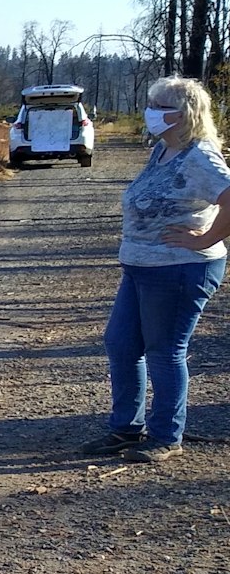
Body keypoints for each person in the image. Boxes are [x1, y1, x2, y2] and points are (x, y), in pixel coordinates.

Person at [83, 76, 230, 464]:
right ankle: (125, 429)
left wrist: (204, 238)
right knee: (122, 343)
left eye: (159, 105)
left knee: (164, 351)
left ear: (184, 114)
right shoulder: (163, 150)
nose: (150, 111)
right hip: (141, 267)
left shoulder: (199, 155)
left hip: (180, 269)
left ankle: (166, 435)